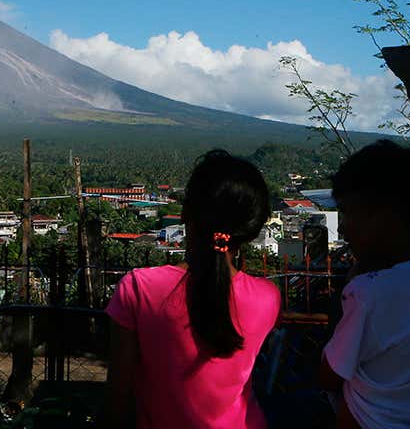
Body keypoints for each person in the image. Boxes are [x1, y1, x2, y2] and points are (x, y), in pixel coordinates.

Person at [103, 150, 279, 428]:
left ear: (185, 214)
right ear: (252, 228)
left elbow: (118, 398)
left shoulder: (139, 289)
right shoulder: (268, 298)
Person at [320, 140, 410, 429]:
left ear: (384, 216)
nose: (342, 227)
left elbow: (329, 374)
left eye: (347, 212)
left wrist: (352, 284)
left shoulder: (369, 292)